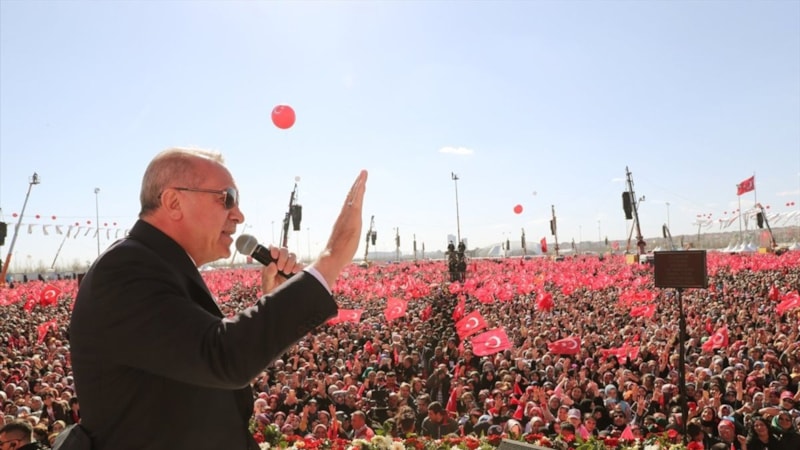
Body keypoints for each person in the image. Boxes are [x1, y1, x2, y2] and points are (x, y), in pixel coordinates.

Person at [67, 148, 367, 449]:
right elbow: (222, 356)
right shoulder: (126, 269)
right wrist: (331, 259)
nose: (238, 215)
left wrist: (275, 299)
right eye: (227, 198)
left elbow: (200, 366)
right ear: (173, 202)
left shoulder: (160, 266)